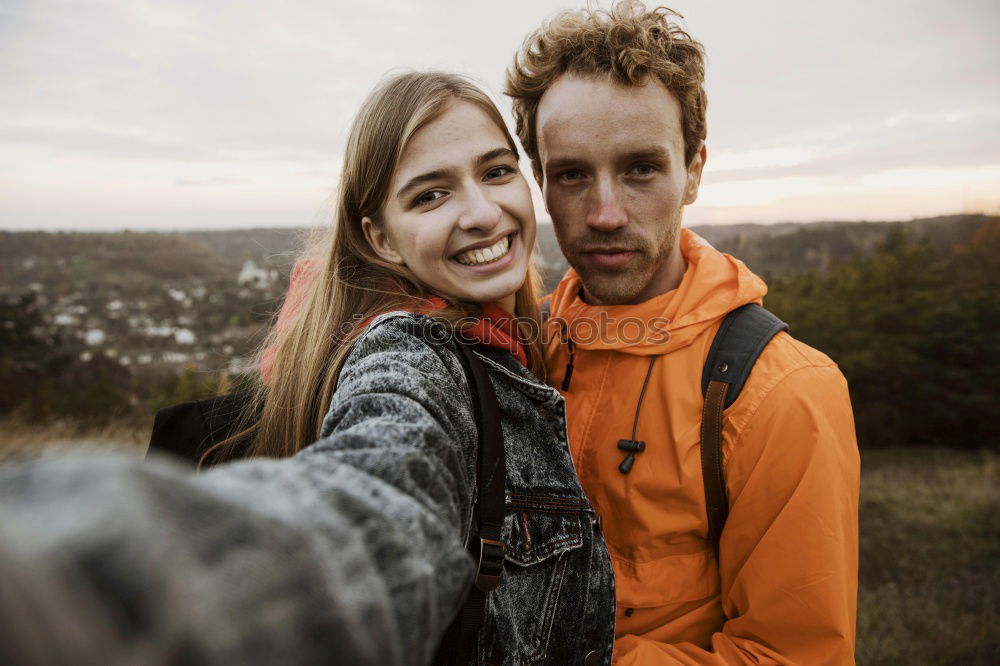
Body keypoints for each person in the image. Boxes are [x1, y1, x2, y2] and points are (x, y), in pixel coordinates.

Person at [0, 72, 615, 665]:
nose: (482, 212)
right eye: (430, 194)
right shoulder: (413, 354)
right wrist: (66, 593)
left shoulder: (512, 331)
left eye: (496, 172)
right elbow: (368, 510)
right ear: (379, 238)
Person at [504, 3, 861, 664]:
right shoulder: (520, 355)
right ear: (541, 184)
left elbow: (792, 657)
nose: (605, 214)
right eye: (573, 174)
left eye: (641, 168)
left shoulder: (783, 394)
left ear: (693, 169)